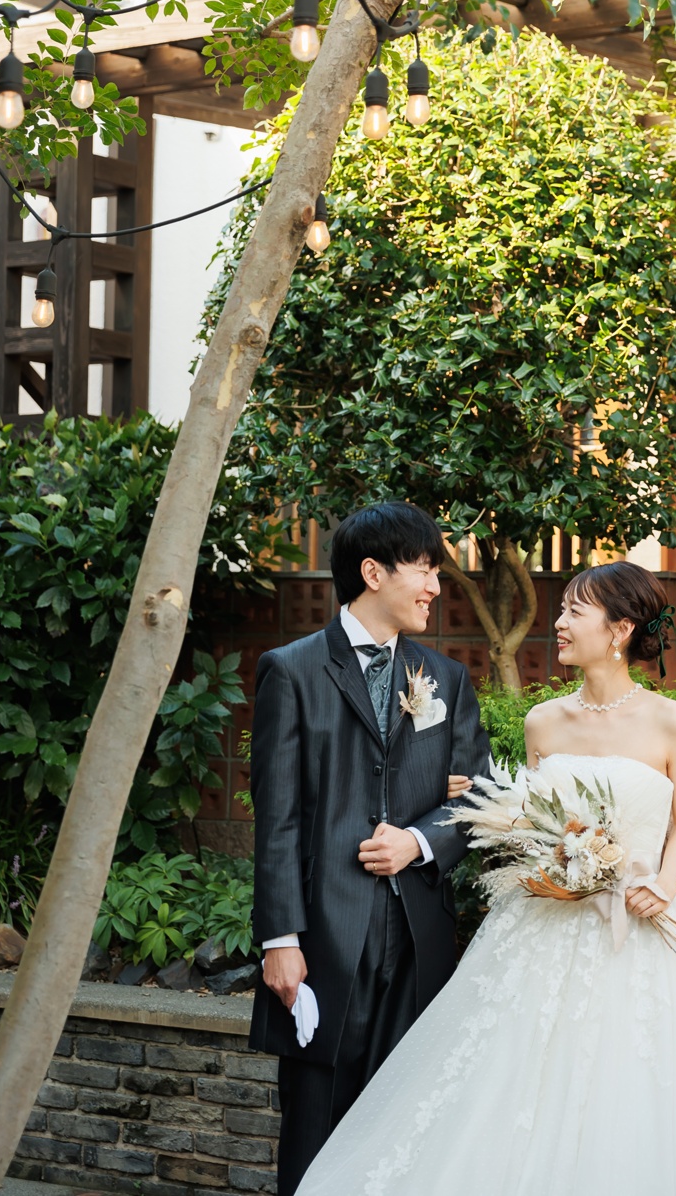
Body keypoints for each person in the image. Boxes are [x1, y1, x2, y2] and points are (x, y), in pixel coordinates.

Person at [293, 560, 676, 1196]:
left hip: (640, 918)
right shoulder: (543, 721)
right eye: (562, 611)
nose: (558, 623)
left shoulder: (671, 721)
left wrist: (664, 883)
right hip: (541, 920)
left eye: (574, 612)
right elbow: (530, 824)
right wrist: (510, 826)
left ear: (620, 629)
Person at [249, 501, 492, 1196]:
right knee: (315, 1122)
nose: (435, 587)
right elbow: (278, 817)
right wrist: (280, 940)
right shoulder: (291, 671)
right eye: (425, 569)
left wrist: (418, 840)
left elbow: (479, 797)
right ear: (373, 572)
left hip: (418, 937)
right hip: (325, 936)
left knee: (407, 1123)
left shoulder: (445, 679)